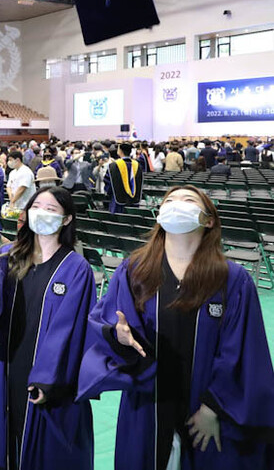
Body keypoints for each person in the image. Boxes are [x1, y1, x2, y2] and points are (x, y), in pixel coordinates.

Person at [78, 185, 274, 469]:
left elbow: (242, 350)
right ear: (160, 214)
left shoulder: (232, 279)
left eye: (188, 200)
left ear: (208, 220)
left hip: (208, 409)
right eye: (170, 200)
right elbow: (106, 322)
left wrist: (212, 407)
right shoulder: (134, 271)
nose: (177, 204)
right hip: (148, 404)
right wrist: (116, 336)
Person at [0, 186, 96, 470]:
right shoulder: (7, 256)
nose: (41, 213)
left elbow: (69, 329)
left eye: (51, 209)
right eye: (37, 206)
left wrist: (48, 378)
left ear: (67, 219)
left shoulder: (75, 268)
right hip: (6, 362)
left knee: (44, 442)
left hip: (47, 375)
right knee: (7, 433)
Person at [105, 142, 144, 214]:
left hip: (117, 201)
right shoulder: (138, 165)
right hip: (134, 200)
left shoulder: (113, 166)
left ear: (120, 152)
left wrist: (108, 194)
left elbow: (108, 183)